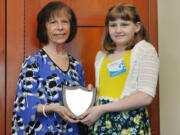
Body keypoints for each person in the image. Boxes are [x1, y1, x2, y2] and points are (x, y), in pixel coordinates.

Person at [80, 3, 160, 134]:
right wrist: (92, 94)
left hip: (128, 123)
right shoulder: (101, 55)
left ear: (137, 27)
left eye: (124, 24)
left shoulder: (145, 51)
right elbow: (109, 88)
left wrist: (102, 109)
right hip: (101, 122)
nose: (118, 30)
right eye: (113, 25)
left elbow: (145, 96)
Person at [11, 1, 86, 134]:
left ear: (71, 26)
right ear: (44, 27)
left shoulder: (76, 66)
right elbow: (24, 106)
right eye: (53, 22)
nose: (60, 27)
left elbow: (79, 109)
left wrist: (89, 96)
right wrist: (54, 108)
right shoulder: (33, 62)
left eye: (64, 21)